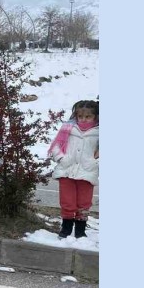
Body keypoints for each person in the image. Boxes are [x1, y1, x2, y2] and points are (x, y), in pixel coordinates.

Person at [48, 100, 99, 239]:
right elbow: (56, 146)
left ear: (96, 116)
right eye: (80, 116)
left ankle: (80, 232)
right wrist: (61, 158)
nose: (83, 119)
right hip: (66, 171)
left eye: (88, 116)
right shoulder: (68, 128)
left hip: (87, 172)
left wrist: (95, 163)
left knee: (83, 203)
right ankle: (66, 229)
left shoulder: (99, 132)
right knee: (67, 201)